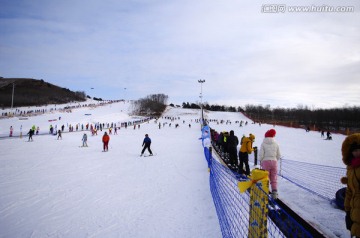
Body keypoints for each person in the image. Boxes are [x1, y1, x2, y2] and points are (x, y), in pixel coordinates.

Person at [340, 133, 360, 238]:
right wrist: (347, 211)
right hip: (354, 210)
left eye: (359, 150)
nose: (357, 153)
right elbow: (349, 191)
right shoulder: (351, 167)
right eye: (355, 150)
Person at [259, 129, 281, 199]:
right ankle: (274, 193)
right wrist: (274, 160)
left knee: (266, 177)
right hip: (274, 162)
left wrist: (262, 161)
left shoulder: (263, 144)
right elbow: (278, 155)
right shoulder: (276, 144)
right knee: (273, 177)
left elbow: (261, 155)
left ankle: (265, 192)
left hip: (265, 162)